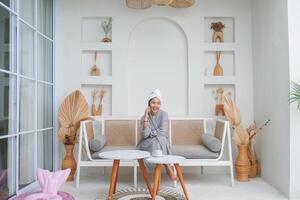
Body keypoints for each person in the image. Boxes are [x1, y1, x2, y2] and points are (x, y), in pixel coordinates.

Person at [137, 89, 176, 180]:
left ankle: (159, 172)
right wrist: (146, 116)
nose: (156, 105)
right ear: (149, 104)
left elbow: (163, 132)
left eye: (158, 103)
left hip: (161, 141)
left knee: (157, 142)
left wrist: (151, 133)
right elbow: (144, 135)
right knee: (156, 141)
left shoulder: (164, 114)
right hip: (147, 143)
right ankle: (167, 167)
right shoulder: (144, 117)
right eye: (153, 103)